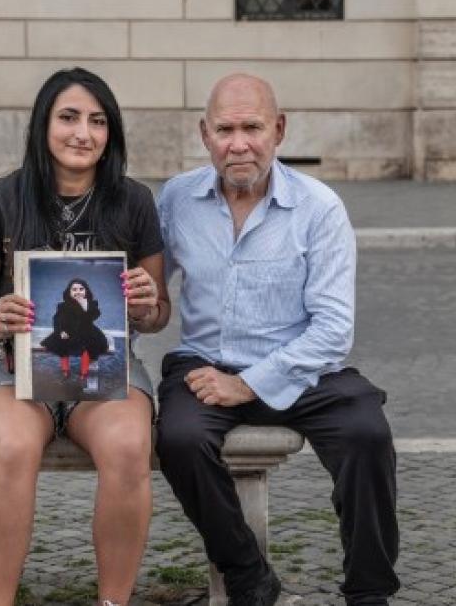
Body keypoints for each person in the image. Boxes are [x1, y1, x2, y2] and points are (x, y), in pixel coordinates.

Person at [155, 73, 398, 605]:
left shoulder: (319, 207)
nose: (238, 143)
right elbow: (153, 295)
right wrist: (137, 304)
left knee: (367, 434)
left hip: (305, 368)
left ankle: (369, 592)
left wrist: (249, 384)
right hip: (204, 364)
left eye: (252, 127)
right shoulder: (176, 199)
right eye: (224, 129)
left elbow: (334, 329)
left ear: (279, 131)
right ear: (204, 134)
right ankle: (250, 579)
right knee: (177, 439)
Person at [0, 67, 170, 606]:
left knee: (127, 445)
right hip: (12, 367)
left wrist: (145, 305)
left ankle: (113, 601)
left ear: (111, 133)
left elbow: (159, 312)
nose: (83, 133)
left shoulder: (135, 202)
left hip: (106, 365)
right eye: (68, 117)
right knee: (15, 444)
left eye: (97, 121)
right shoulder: (2, 198)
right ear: (43, 125)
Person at [39, 278, 110, 381]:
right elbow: (57, 320)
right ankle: (65, 369)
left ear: (86, 291)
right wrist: (61, 331)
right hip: (68, 331)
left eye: (81, 289)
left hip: (87, 331)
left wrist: (84, 305)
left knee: (87, 348)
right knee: (62, 345)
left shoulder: (91, 304)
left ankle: (84, 372)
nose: (78, 292)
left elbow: (94, 316)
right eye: (74, 289)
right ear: (69, 292)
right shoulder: (63, 306)